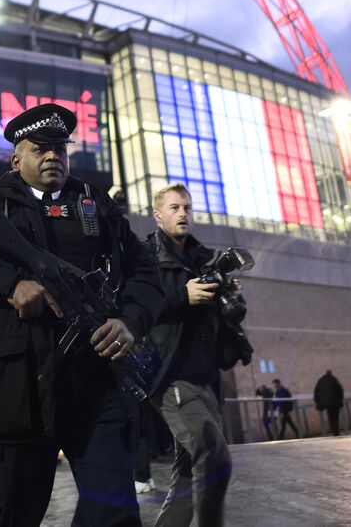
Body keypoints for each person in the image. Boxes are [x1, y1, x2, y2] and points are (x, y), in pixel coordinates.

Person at [0, 103, 163, 526]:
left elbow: (145, 272)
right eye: (41, 149)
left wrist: (129, 320)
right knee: (17, 512)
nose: (54, 155)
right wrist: (8, 284)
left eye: (61, 149)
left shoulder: (95, 205)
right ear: (16, 160)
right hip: (16, 387)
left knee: (114, 510)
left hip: (93, 381)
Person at [145, 182, 253, 526]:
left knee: (189, 472)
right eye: (175, 207)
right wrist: (182, 294)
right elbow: (133, 307)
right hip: (169, 373)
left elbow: (225, 314)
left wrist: (233, 292)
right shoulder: (145, 256)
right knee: (214, 454)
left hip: (206, 375)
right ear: (158, 214)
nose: (183, 214)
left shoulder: (206, 257)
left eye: (187, 208)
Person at [313, 370, 345, 436]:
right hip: (335, 402)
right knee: (335, 417)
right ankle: (335, 431)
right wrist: (340, 399)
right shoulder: (334, 379)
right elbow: (340, 390)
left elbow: (316, 391)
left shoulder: (321, 380)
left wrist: (317, 401)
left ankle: (333, 430)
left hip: (326, 403)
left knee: (330, 415)